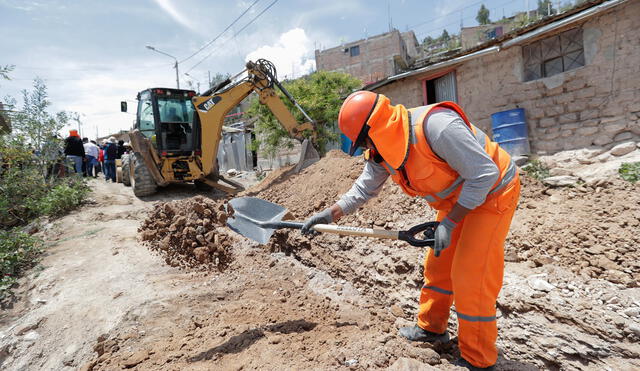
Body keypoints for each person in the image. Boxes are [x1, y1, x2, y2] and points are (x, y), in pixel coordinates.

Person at [302, 91, 520, 370]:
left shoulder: (437, 127)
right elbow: (365, 187)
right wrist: (330, 214)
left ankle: (478, 359)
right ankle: (432, 329)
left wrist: (450, 223)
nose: (367, 148)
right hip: (460, 200)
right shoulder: (384, 150)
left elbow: (484, 175)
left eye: (364, 141)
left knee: (470, 276)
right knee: (439, 265)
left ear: (374, 128)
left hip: (493, 193)